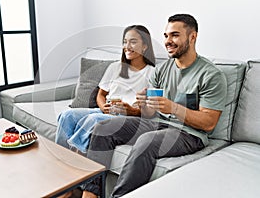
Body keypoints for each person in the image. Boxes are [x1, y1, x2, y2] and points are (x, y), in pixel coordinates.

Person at [82, 14, 228, 198]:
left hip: (189, 133)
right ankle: (90, 195)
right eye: (166, 36)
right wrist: (144, 104)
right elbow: (150, 114)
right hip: (157, 123)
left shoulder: (210, 75)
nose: (168, 41)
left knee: (146, 141)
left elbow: (208, 123)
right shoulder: (161, 70)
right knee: (103, 127)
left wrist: (173, 108)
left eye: (175, 35)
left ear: (193, 37)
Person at [55, 25, 156, 153]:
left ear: (145, 46)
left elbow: (151, 111)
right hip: (107, 111)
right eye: (125, 42)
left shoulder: (152, 73)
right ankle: (60, 156)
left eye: (133, 42)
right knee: (67, 115)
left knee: (93, 119)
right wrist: (103, 107)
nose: (127, 46)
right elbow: (101, 94)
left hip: (128, 118)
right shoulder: (114, 67)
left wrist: (132, 110)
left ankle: (73, 154)